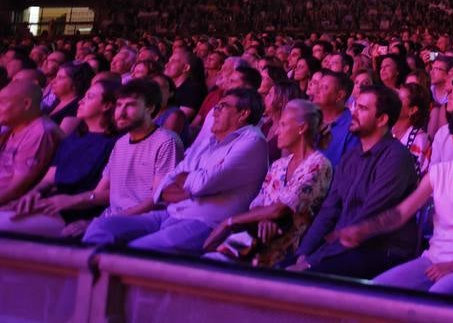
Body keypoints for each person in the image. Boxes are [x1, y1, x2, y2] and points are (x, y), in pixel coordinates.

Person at [84, 87, 269, 254]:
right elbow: (166, 186)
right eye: (216, 106)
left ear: (243, 113)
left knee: (137, 252)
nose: (215, 111)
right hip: (169, 213)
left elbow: (203, 184)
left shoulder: (252, 140)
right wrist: (188, 182)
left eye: (223, 106)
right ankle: (86, 288)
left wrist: (188, 182)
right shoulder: (208, 141)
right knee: (100, 227)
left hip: (204, 224)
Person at [7, 78, 180, 239]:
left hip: (138, 220)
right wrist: (49, 199)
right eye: (119, 105)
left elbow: (154, 201)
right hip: (107, 218)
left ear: (149, 108)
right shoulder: (121, 143)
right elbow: (98, 193)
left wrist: (93, 220)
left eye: (130, 105)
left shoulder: (166, 141)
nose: (121, 112)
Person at [357, 104, 453, 293]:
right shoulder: (439, 174)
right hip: (432, 259)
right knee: (375, 290)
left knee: (435, 299)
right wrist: (363, 229)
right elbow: (404, 211)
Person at [291, 85, 420, 277]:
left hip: (380, 250)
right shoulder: (352, 156)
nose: (353, 112)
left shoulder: (396, 158)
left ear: (382, 119)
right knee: (283, 268)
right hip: (343, 247)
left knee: (309, 277)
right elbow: (330, 210)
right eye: (355, 106)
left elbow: (367, 217)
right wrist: (302, 254)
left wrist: (313, 261)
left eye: (363, 108)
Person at [201, 98, 332, 267]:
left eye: (283, 125)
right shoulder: (279, 165)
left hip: (284, 248)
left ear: (302, 128)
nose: (277, 131)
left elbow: (279, 209)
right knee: (208, 263)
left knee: (214, 268)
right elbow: (258, 203)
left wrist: (229, 221)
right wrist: (263, 219)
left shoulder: (318, 164)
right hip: (255, 238)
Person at [0, 77, 117, 235]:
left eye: (90, 97)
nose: (81, 101)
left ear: (107, 105)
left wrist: (71, 203)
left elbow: (113, 193)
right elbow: (49, 178)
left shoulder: (114, 144)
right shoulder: (75, 137)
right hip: (48, 205)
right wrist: (33, 193)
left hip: (72, 214)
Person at [0, 80, 63, 211]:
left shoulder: (41, 132)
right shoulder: (11, 127)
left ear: (26, 104)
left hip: (13, 207)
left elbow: (16, 190)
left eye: (2, 102)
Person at [310, 69, 359, 169]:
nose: (317, 91)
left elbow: (348, 170)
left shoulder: (352, 127)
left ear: (340, 95)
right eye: (318, 86)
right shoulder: (310, 120)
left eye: (324, 88)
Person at [392, 82, 431, 175]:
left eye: (399, 99)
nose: (394, 101)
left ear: (412, 110)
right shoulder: (385, 129)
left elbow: (416, 176)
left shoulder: (420, 140)